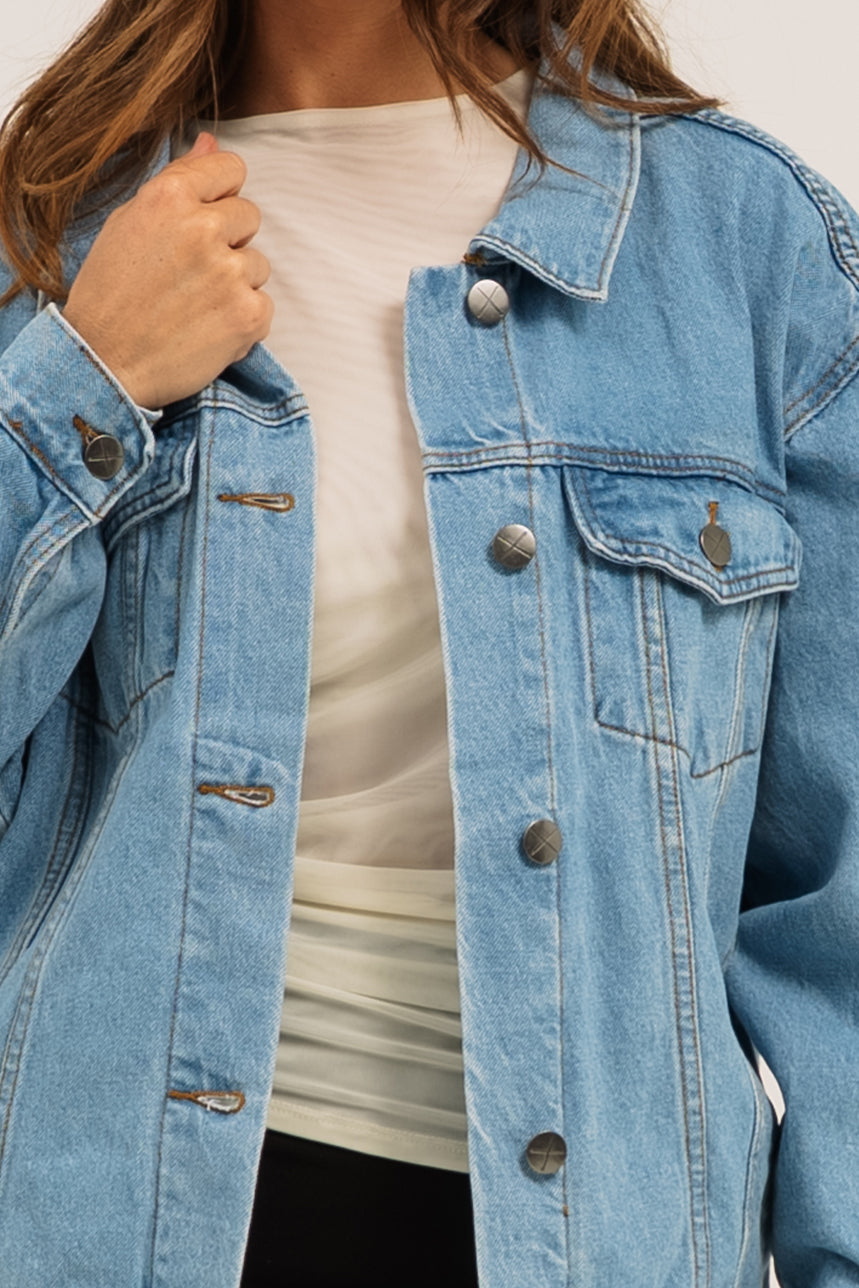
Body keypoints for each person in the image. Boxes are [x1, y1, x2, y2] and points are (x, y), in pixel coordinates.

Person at [0, 0, 856, 1283]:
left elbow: (840, 909)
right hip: (114, 1227)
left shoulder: (746, 249)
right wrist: (86, 377)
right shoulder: (48, 230)